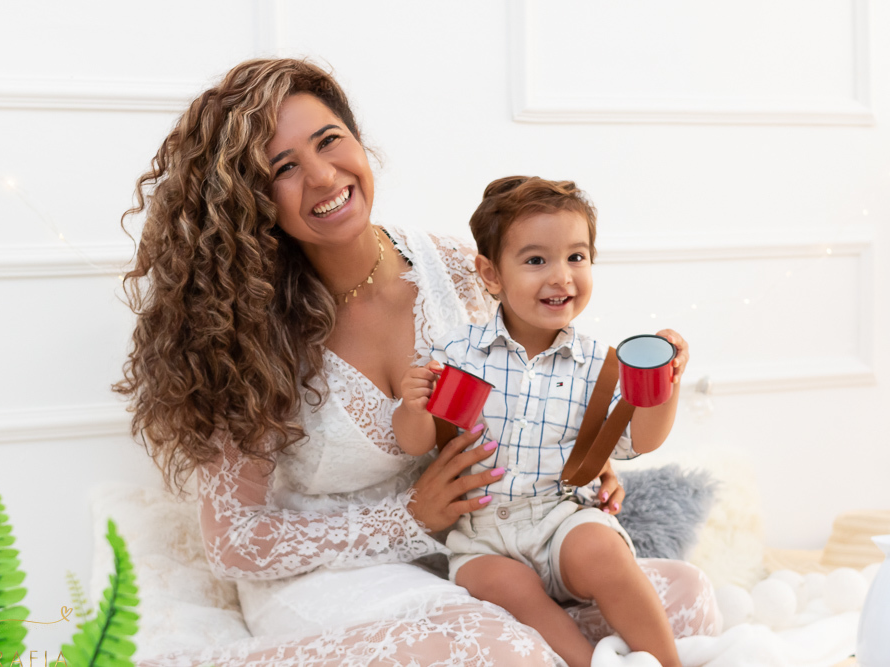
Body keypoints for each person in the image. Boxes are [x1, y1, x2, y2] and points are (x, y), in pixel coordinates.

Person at [114, 57, 720, 666]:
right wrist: (408, 517)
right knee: (502, 651)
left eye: (330, 141)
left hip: (474, 545)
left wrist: (569, 462)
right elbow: (234, 544)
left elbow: (534, 377)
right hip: (328, 577)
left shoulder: (458, 270)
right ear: (251, 199)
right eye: (285, 168)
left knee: (685, 601)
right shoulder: (242, 331)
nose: (324, 176)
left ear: (357, 140)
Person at [393, 176, 696, 666]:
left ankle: (666, 662)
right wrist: (411, 407)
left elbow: (643, 440)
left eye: (576, 257)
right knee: (503, 584)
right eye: (536, 260)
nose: (561, 277)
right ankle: (588, 662)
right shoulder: (458, 355)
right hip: (483, 532)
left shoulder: (602, 365)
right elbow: (416, 444)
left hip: (559, 518)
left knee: (604, 552)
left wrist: (668, 382)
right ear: (491, 275)